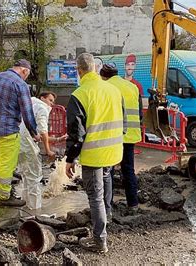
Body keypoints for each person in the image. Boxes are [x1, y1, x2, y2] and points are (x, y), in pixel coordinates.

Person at [65, 53, 125, 253]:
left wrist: (70, 158)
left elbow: (76, 133)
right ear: (96, 69)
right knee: (106, 188)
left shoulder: (80, 95)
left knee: (96, 197)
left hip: (94, 155)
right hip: (114, 152)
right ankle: (105, 225)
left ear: (79, 70)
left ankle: (100, 241)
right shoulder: (114, 91)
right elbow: (123, 124)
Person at [0, 59, 40, 207]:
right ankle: (5, 197)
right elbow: (27, 111)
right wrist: (34, 132)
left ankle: (1, 190)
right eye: (27, 74)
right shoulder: (20, 85)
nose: (26, 77)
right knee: (7, 163)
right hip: (8, 130)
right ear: (25, 70)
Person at [100, 63, 142, 214]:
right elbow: (140, 114)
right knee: (128, 170)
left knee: (108, 171)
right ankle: (133, 204)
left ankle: (107, 206)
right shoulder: (132, 87)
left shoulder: (106, 87)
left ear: (103, 75)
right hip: (130, 135)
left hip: (113, 135)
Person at [19, 91, 67, 211]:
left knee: (25, 174)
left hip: (18, 142)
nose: (51, 104)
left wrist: (57, 139)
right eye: (50, 100)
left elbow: (38, 134)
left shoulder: (28, 103)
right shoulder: (42, 108)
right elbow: (43, 131)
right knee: (35, 176)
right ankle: (35, 209)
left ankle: (25, 204)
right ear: (42, 98)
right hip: (28, 144)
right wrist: (48, 150)